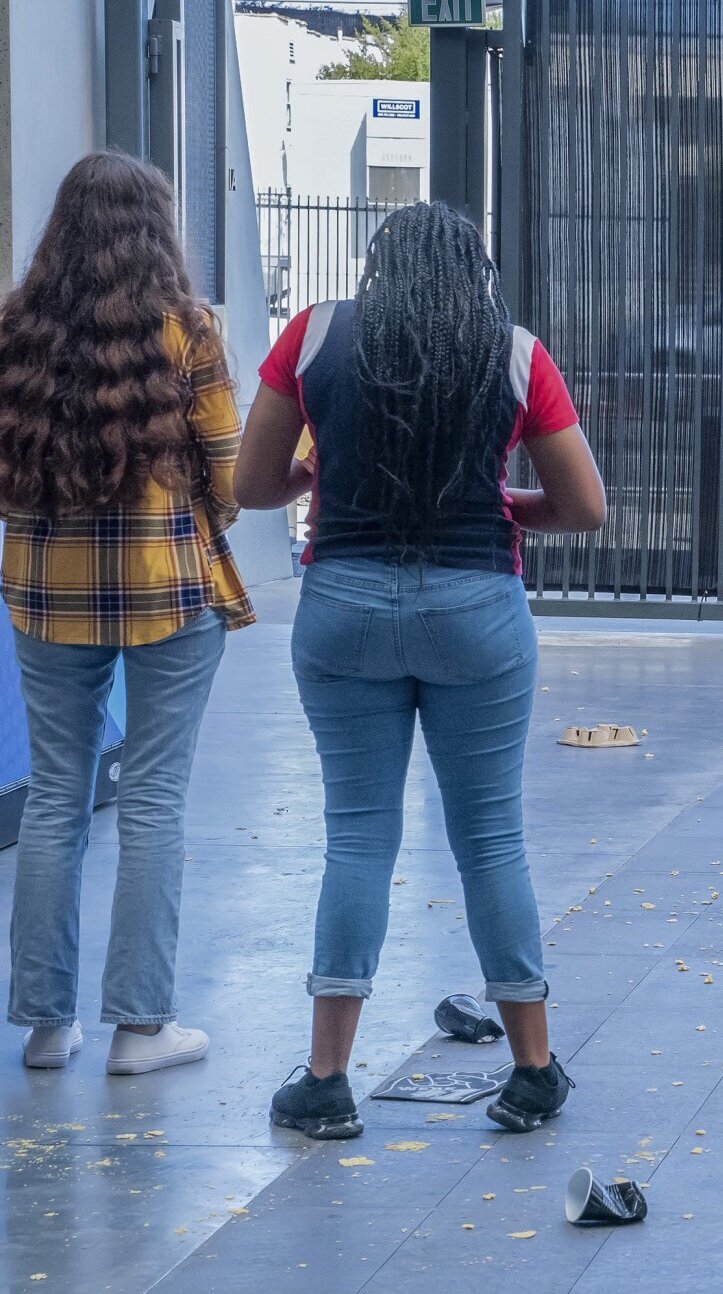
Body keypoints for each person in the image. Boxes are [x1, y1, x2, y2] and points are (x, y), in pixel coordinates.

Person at [235, 202, 607, 1139]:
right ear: (473, 271)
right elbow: (584, 507)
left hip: (344, 609)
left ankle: (327, 1082)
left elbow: (251, 485)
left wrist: (315, 477)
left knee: (358, 837)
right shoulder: (513, 352)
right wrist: (507, 505)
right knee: (491, 839)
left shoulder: (313, 336)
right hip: (477, 611)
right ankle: (532, 1072)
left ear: (377, 267)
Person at [0, 152, 253, 1074]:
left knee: (55, 796)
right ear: (156, 231)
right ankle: (141, 1030)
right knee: (152, 799)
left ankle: (44, 1026)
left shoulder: (16, 331)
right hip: (167, 589)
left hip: (44, 590)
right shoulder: (188, 332)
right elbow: (231, 475)